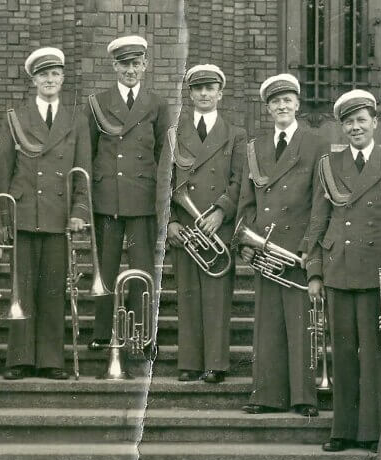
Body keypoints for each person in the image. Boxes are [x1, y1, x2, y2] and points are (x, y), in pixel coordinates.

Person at [304, 90, 381, 450]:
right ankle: (343, 430)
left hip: (376, 271)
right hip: (338, 269)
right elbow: (318, 220)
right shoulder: (329, 166)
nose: (355, 127)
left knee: (373, 352)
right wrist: (314, 271)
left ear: (374, 123)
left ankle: (370, 431)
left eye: (361, 120)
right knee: (343, 351)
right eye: (348, 122)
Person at [0, 47, 91, 381]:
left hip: (59, 214)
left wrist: (80, 211)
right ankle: (19, 359)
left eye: (55, 74)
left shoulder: (76, 119)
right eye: (43, 75)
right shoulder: (15, 118)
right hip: (23, 213)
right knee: (21, 288)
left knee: (53, 289)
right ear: (33, 80)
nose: (49, 80)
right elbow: (4, 173)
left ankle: (52, 360)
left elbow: (82, 170)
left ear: (62, 79)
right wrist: (4, 221)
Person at [237, 73, 326, 415]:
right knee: (268, 323)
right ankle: (266, 395)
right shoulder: (255, 147)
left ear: (298, 104)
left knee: (301, 323)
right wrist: (243, 241)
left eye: (287, 100)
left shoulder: (316, 143)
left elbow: (320, 200)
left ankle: (304, 398)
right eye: (275, 102)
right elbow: (248, 200)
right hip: (265, 248)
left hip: (297, 250)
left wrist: (309, 246)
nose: (282, 106)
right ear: (268, 108)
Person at [86, 35, 170, 356]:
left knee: (142, 270)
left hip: (142, 197)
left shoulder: (157, 104)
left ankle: (144, 335)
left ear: (145, 65)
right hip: (108, 196)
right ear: (114, 66)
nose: (130, 70)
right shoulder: (97, 103)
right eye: (124, 64)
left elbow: (163, 154)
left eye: (136, 64)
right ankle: (102, 332)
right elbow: (89, 152)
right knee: (105, 269)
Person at [165, 64, 245, 385]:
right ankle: (189, 362)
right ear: (191, 94)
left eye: (210, 88)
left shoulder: (235, 134)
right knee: (187, 295)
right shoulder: (174, 134)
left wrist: (222, 212)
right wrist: (169, 221)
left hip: (216, 227)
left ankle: (215, 364)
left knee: (216, 298)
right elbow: (165, 183)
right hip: (185, 226)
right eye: (198, 89)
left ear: (220, 94)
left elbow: (240, 181)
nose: (204, 94)